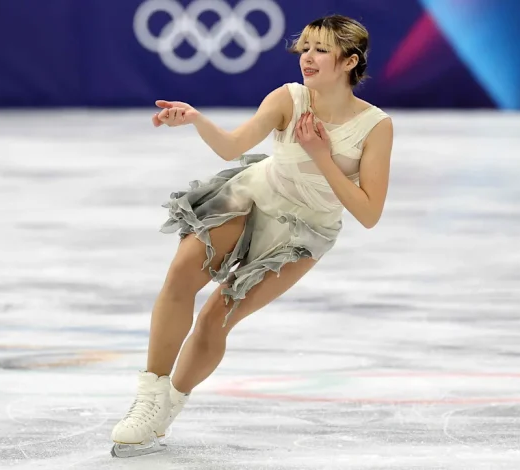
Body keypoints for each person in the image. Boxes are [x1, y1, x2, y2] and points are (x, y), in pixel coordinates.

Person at [110, 14, 393, 458]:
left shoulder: (375, 126)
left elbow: (369, 212)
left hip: (304, 230)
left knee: (216, 316)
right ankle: (148, 397)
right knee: (183, 274)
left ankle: (168, 408)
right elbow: (231, 146)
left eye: (320, 49)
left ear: (348, 61)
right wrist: (196, 119)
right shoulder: (289, 98)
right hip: (255, 193)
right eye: (304, 48)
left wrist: (321, 155)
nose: (307, 58)